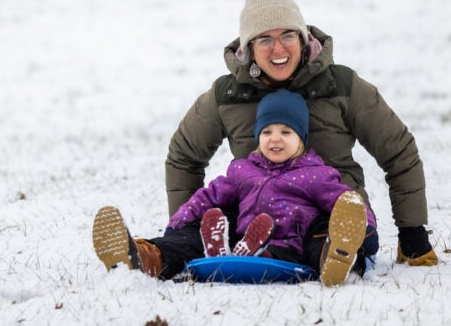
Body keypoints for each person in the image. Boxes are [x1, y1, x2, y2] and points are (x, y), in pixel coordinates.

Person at [165, 0, 439, 268]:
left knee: (329, 232)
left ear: (303, 37)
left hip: (329, 211)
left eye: (287, 35)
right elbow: (184, 156)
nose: (278, 48)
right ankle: (149, 257)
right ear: (249, 48)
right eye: (264, 40)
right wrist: (182, 223)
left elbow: (398, 150)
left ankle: (337, 257)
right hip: (255, 220)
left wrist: (412, 232)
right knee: (207, 227)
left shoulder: (342, 87)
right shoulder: (228, 95)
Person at [92, 91, 378, 286]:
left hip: (290, 248)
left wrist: (365, 228)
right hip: (241, 240)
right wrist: (180, 221)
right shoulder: (243, 169)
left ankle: (337, 258)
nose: (274, 139)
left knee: (320, 241)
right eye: (267, 132)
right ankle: (142, 257)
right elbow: (210, 195)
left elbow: (343, 201)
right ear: (257, 137)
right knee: (188, 242)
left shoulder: (315, 174)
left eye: (285, 132)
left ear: (301, 138)